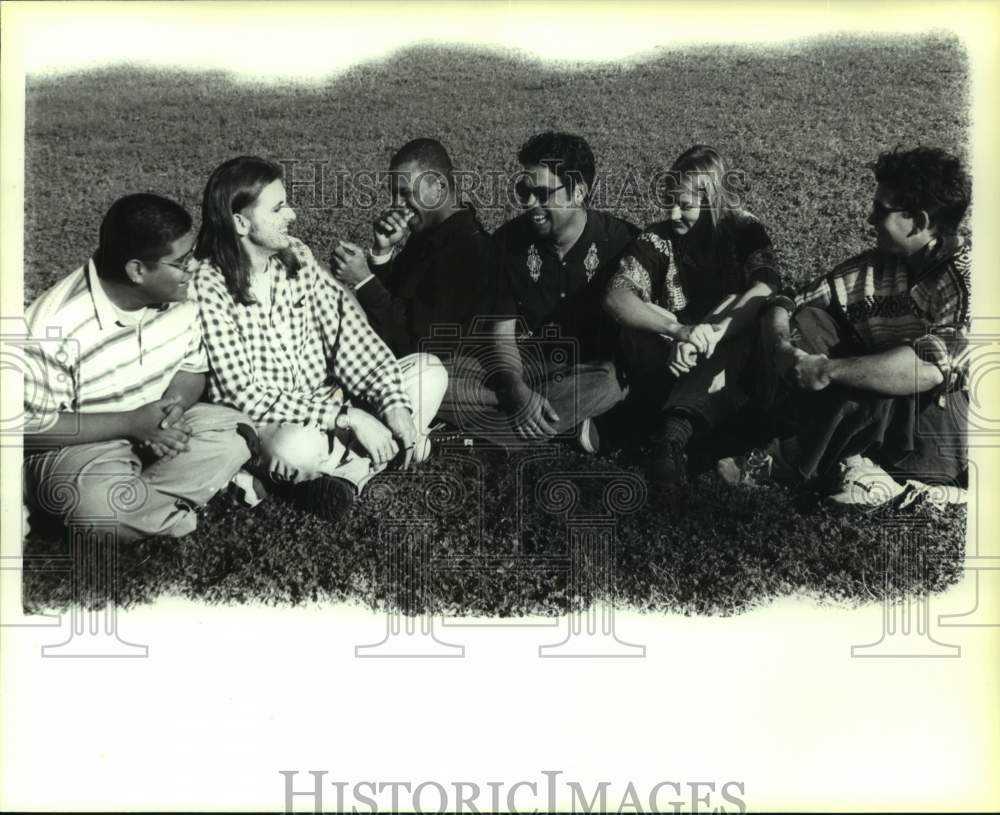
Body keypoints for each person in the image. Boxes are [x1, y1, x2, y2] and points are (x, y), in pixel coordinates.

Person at [191, 156, 447, 521]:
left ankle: (335, 477)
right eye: (278, 208)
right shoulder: (208, 284)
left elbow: (350, 337)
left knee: (429, 370)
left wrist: (392, 404)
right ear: (241, 222)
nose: (292, 215)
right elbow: (239, 395)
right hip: (275, 421)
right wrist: (348, 418)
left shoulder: (296, 256)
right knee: (292, 447)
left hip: (331, 401)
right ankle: (361, 462)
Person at [719, 146, 971, 505]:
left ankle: (784, 463)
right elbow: (787, 301)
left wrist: (828, 369)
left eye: (881, 210)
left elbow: (928, 369)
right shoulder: (882, 266)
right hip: (892, 422)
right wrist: (781, 349)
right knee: (811, 322)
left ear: (919, 221)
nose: (869, 219)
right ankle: (834, 452)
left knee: (879, 378)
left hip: (944, 437)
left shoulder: (968, 280)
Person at [331, 137, 605, 451]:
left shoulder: (467, 250)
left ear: (438, 187)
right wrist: (382, 255)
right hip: (446, 366)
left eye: (406, 193)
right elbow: (398, 302)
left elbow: (411, 343)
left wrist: (364, 281)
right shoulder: (431, 234)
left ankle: (460, 432)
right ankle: (556, 421)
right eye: (394, 193)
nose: (397, 203)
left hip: (448, 368)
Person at [22, 193, 253, 541]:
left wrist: (169, 414)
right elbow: (24, 427)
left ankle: (145, 505)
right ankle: (181, 508)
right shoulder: (51, 326)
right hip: (85, 446)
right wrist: (130, 423)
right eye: (182, 261)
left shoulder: (179, 294)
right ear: (137, 270)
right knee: (96, 507)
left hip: (161, 423)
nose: (194, 268)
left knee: (238, 433)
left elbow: (192, 370)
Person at [605, 145, 780, 483]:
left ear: (713, 200)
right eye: (668, 202)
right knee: (639, 316)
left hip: (730, 358)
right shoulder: (658, 238)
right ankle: (680, 436)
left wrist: (712, 333)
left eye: (684, 205)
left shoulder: (743, 229)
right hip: (672, 359)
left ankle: (670, 436)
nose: (672, 215)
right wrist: (677, 331)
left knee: (739, 304)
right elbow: (615, 296)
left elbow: (765, 286)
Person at [492, 131, 639, 452]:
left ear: (578, 192)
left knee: (610, 383)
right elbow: (501, 335)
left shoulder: (622, 243)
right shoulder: (506, 243)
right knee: (447, 374)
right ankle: (566, 426)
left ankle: (487, 436)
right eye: (523, 191)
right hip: (525, 366)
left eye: (542, 194)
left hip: (591, 373)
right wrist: (516, 389)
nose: (530, 204)